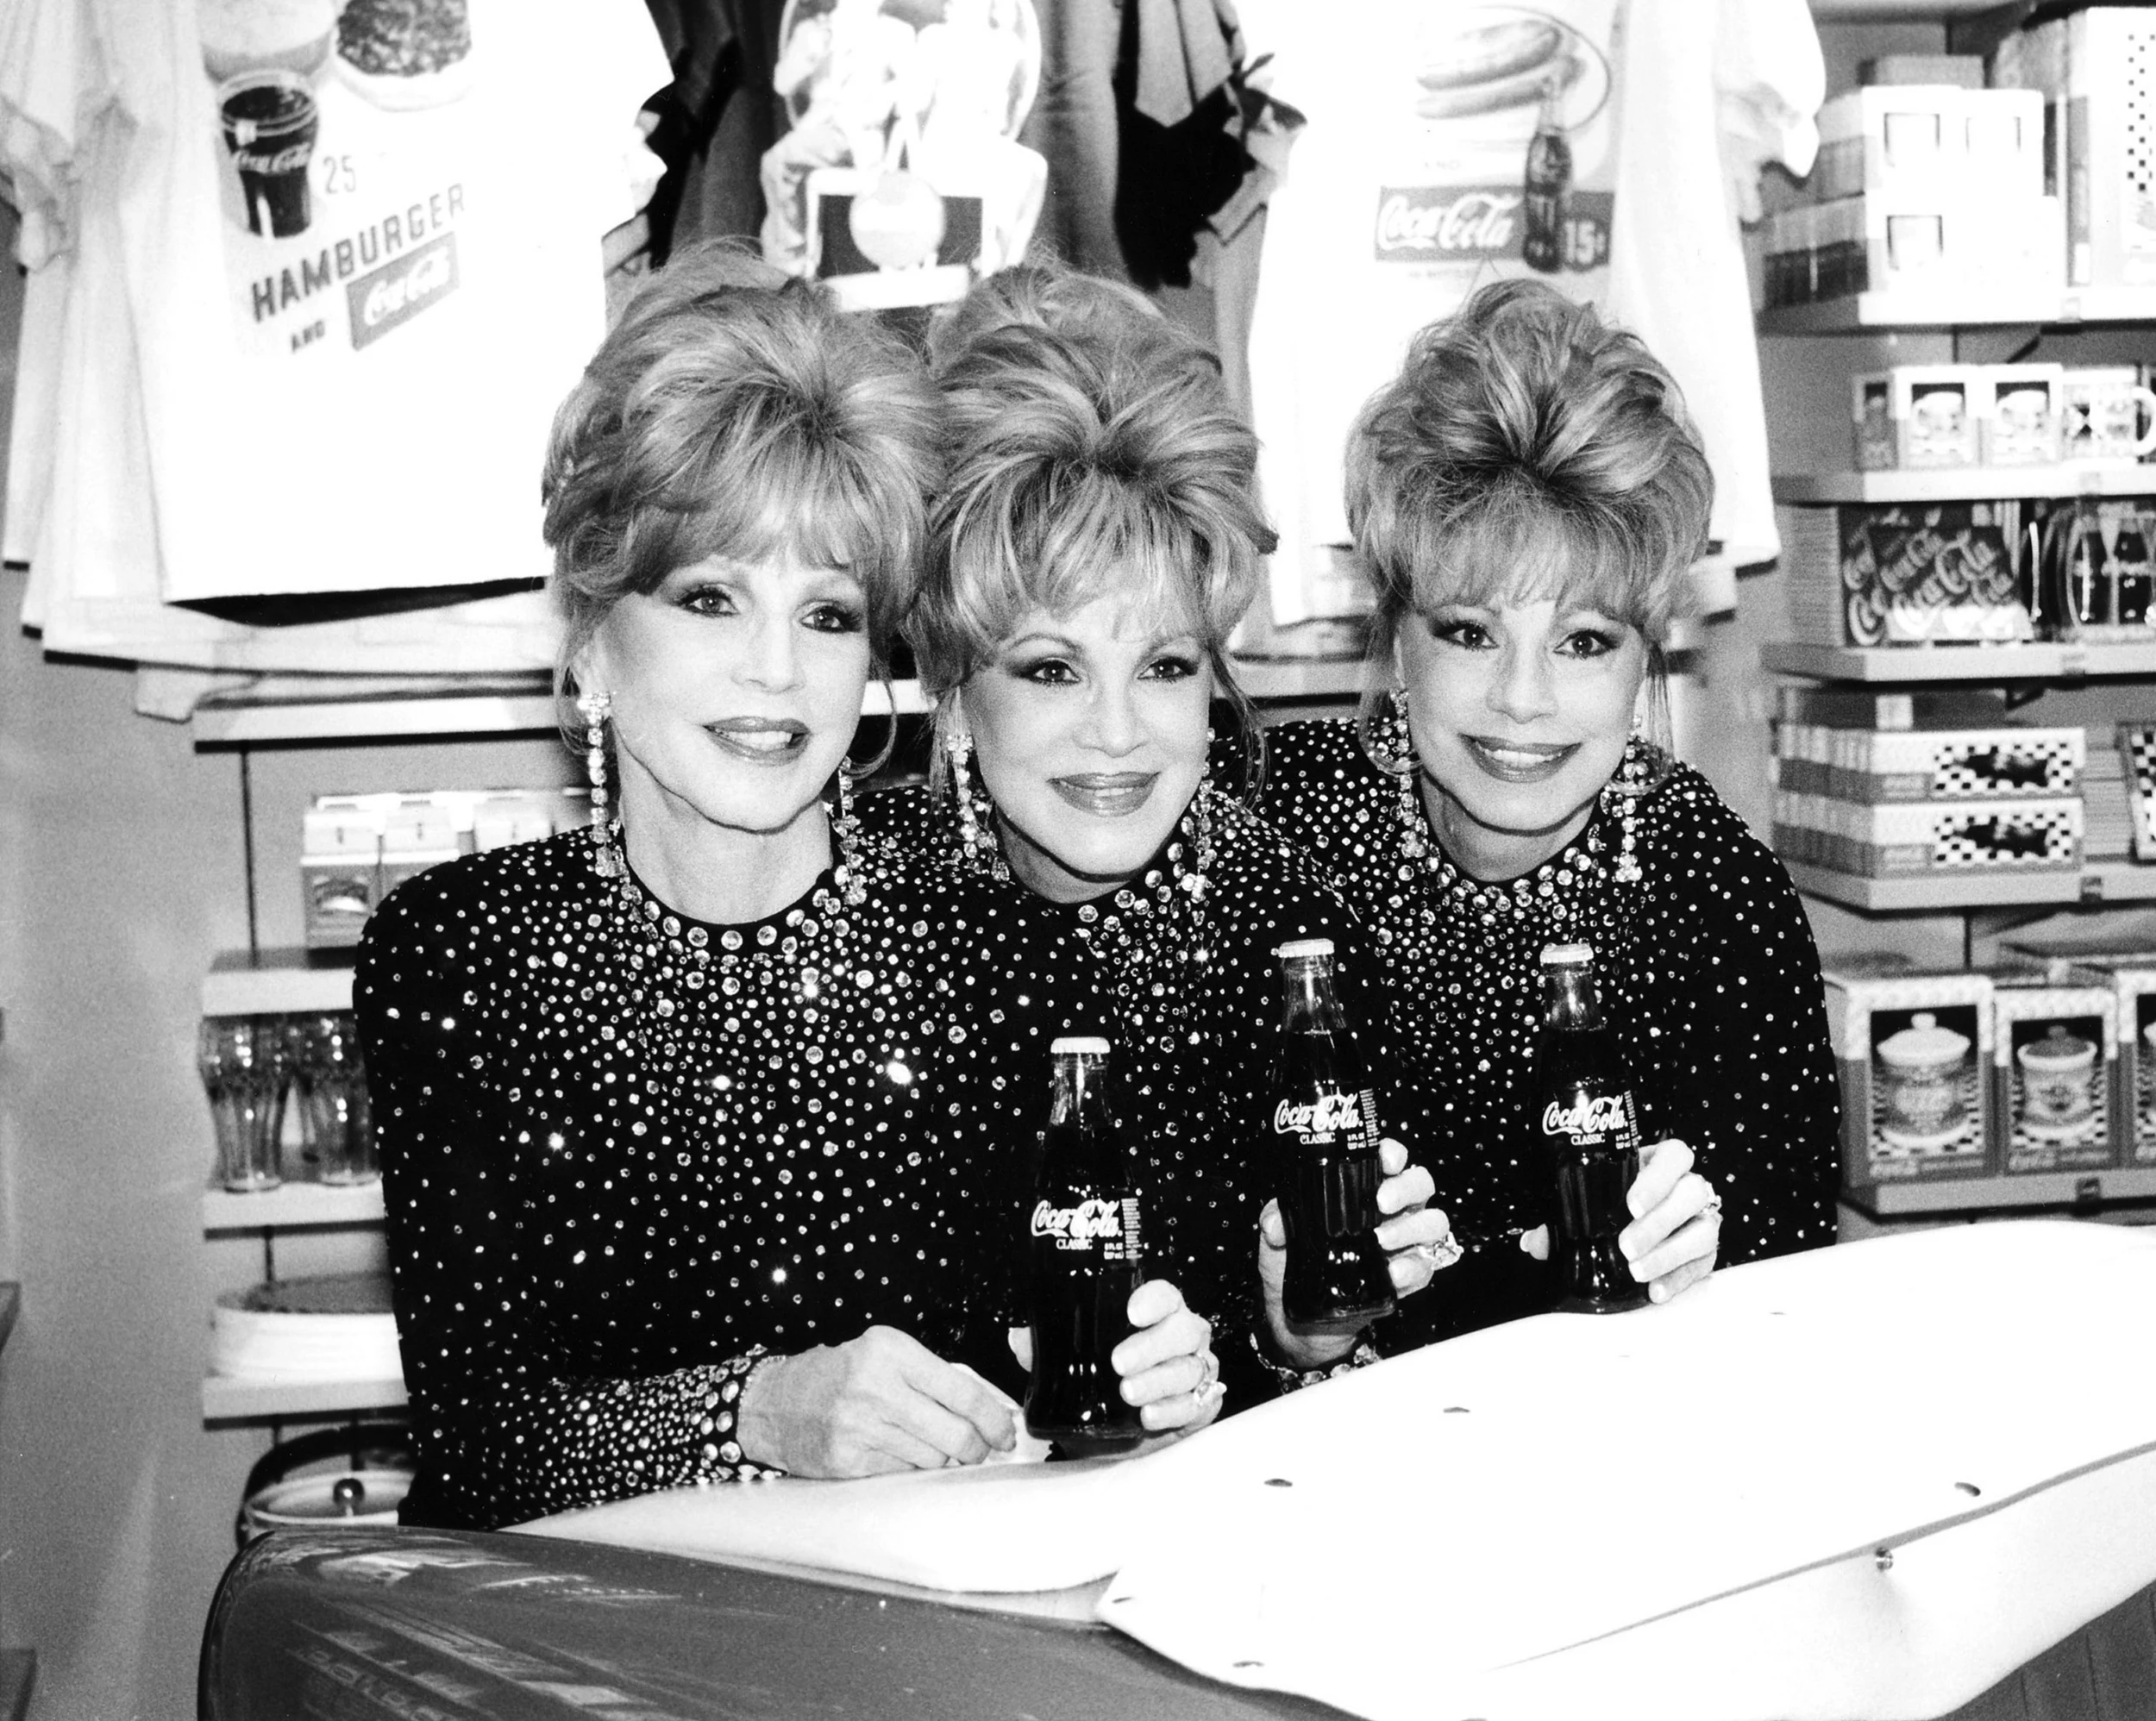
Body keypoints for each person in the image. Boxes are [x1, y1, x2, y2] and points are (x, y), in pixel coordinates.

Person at [354, 246, 1219, 1533]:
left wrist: (1161, 1371)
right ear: (591, 638)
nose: (775, 671)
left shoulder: (1000, 947)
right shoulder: (462, 951)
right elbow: (479, 1437)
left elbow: (1074, 1372)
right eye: (711, 598)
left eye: (825, 615)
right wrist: (752, 1411)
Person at [862, 267, 1458, 1405]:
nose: (1120, 733)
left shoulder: (1292, 934)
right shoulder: (849, 921)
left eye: (1167, 665)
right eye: (1051, 668)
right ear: (953, 680)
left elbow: (1365, 1363)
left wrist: (1305, 1335)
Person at [1250, 278, 1840, 1343]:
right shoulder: (1277, 833)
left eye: (1581, 642)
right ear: (1395, 637)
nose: (1522, 700)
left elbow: (1786, 1313)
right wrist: (1286, 1331)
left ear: (1644, 659)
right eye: (1470, 632)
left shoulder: (1718, 904)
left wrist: (1698, 1282)